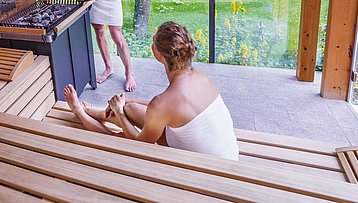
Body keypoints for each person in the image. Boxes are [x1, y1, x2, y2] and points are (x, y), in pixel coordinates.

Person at [63, 21, 239, 160]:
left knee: (123, 137)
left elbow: (140, 145)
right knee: (130, 108)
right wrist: (128, 102)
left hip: (208, 169)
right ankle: (100, 114)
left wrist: (119, 112)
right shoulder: (201, 76)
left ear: (158, 54)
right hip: (227, 155)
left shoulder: (163, 103)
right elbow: (165, 109)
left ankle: (80, 112)